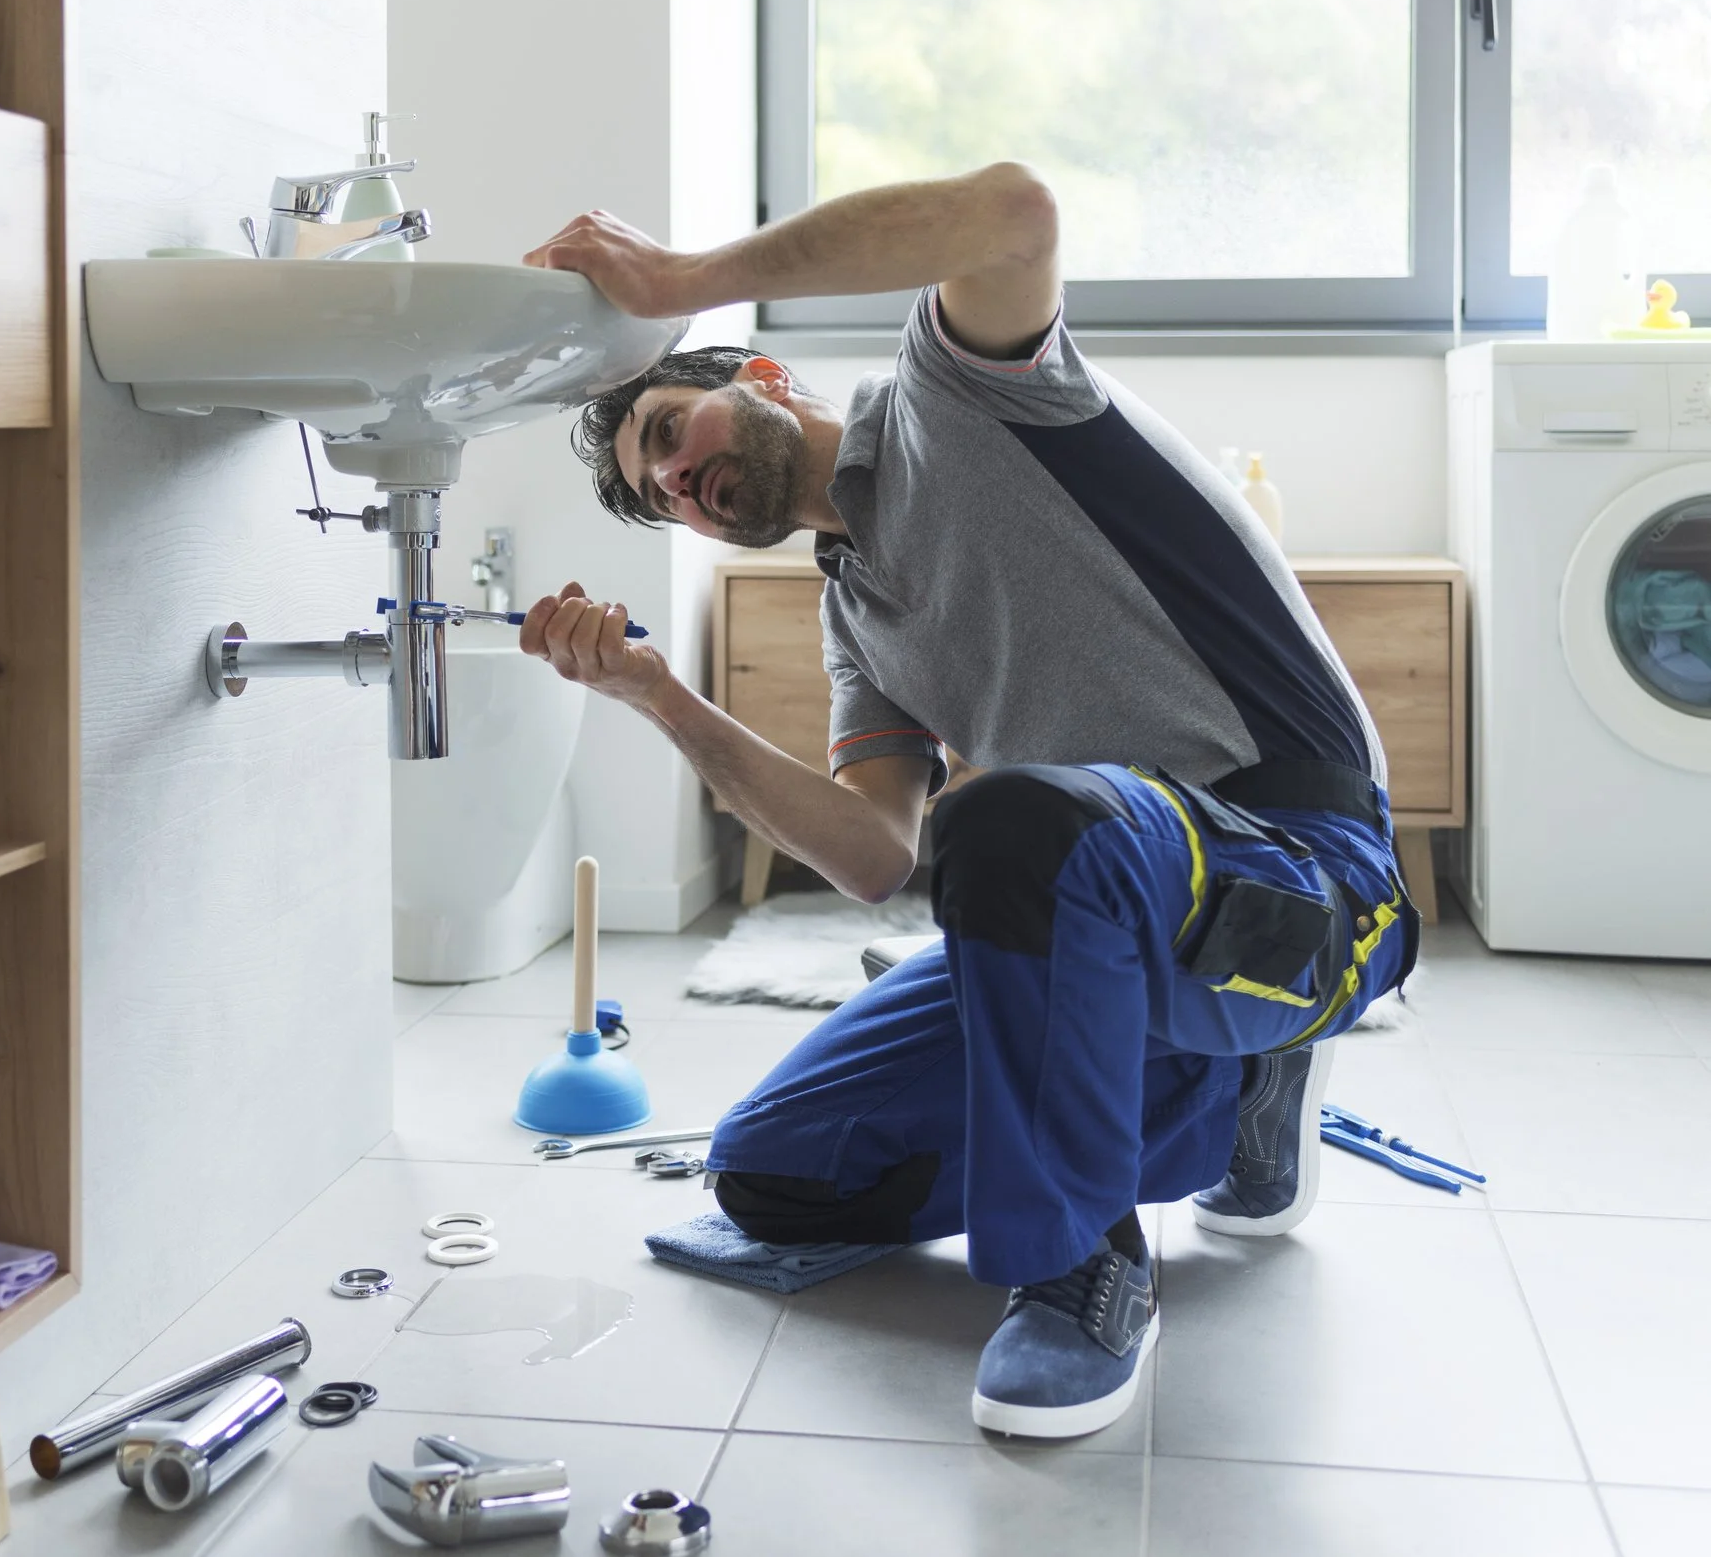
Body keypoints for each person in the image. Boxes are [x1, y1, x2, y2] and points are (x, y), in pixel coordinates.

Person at [514, 164, 1418, 1439]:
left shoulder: (959, 394)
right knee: (777, 1173)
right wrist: (660, 697)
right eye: (657, 491)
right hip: (1113, 891)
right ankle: (1234, 1092)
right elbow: (874, 854)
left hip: (1305, 872)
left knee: (1011, 829)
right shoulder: (859, 619)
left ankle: (1082, 1267)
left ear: (760, 381)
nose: (676, 483)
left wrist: (683, 281)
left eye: (668, 433)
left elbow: (1010, 211)